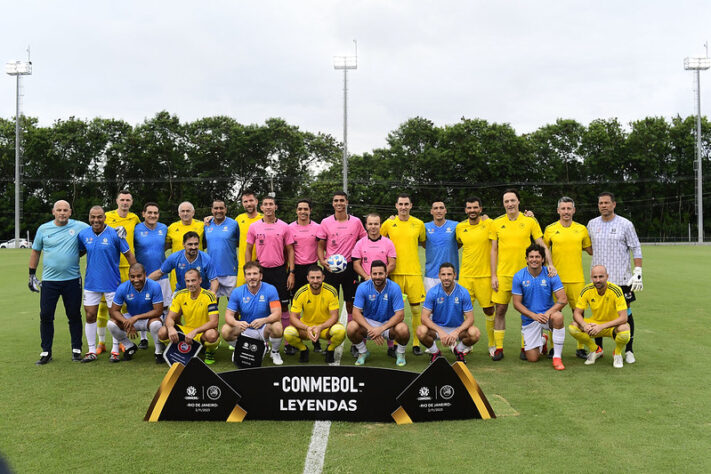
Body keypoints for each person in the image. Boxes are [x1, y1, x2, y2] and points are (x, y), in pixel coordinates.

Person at [489, 189, 555, 361]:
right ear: (503, 204)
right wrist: (493, 275)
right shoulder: (496, 223)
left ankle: (525, 346)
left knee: (526, 311)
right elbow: (493, 250)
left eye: (512, 200)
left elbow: (542, 244)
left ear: (518, 201)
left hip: (527, 275)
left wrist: (551, 265)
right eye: (506, 201)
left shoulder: (530, 221)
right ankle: (499, 348)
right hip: (504, 274)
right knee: (500, 309)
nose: (510, 204)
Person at [29, 200, 89, 365]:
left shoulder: (80, 227)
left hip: (72, 280)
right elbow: (35, 251)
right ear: (53, 212)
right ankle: (46, 351)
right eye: (59, 210)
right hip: (49, 281)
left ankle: (76, 349)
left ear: (70, 212)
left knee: (74, 315)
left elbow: (97, 229)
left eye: (65, 210)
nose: (62, 213)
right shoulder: (43, 228)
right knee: (46, 315)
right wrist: (31, 275)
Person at [587, 191, 642, 364]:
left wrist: (638, 271)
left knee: (626, 313)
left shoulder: (625, 224)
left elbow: (636, 247)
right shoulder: (592, 224)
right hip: (598, 279)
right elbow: (587, 246)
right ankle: (598, 349)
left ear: (614, 204)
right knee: (598, 313)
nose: (603, 205)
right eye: (601, 203)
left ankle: (629, 350)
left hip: (621, 279)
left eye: (606, 203)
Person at [78, 206, 136, 362]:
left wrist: (137, 275)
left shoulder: (115, 234)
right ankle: (91, 350)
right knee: (90, 315)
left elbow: (129, 255)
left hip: (112, 282)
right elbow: (79, 252)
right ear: (89, 217)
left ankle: (115, 349)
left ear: (105, 217)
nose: (96, 220)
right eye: (92, 217)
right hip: (91, 282)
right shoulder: (83, 234)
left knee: (114, 317)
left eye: (99, 217)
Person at [317, 191, 367, 356]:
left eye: (342, 200)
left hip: (351, 268)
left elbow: (363, 242)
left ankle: (355, 341)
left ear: (347, 202)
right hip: (331, 269)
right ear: (333, 204)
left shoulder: (356, 222)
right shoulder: (325, 222)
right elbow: (320, 246)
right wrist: (323, 261)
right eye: (336, 201)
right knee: (330, 305)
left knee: (352, 305)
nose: (339, 203)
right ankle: (331, 340)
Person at [543, 196, 593, 359]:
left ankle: (580, 347)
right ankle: (552, 347)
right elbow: (544, 250)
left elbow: (591, 250)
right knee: (554, 314)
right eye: (563, 209)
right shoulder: (550, 229)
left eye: (569, 208)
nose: (566, 211)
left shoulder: (582, 229)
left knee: (578, 313)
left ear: (574, 210)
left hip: (577, 278)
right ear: (558, 210)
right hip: (555, 279)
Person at [244, 196, 295, 353]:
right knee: (263, 306)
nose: (268, 207)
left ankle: (287, 343)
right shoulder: (254, 227)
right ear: (261, 208)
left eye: (271, 204)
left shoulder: (284, 226)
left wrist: (291, 272)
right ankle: (262, 341)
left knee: (284, 306)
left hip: (280, 271)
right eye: (265, 204)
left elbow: (290, 250)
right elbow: (248, 248)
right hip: (262, 271)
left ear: (275, 207)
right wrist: (249, 270)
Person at [380, 193, 427, 356]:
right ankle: (392, 345)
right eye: (401, 204)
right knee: (393, 311)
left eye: (406, 204)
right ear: (396, 206)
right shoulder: (388, 223)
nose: (403, 207)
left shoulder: (419, 224)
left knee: (415, 310)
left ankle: (415, 344)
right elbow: (379, 241)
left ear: (411, 205)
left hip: (414, 273)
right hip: (395, 274)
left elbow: (423, 242)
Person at [512, 244, 567, 370]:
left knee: (558, 316)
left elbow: (563, 299)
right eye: (531, 257)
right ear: (526, 259)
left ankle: (557, 357)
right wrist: (533, 316)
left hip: (548, 317)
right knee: (532, 359)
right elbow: (516, 303)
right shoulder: (519, 276)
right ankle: (543, 340)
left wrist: (547, 314)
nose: (534, 259)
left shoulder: (550, 274)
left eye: (537, 257)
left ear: (543, 259)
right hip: (530, 319)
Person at [102, 190, 145, 350]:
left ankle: (126, 340)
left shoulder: (134, 218)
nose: (125, 202)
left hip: (129, 267)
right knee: (107, 306)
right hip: (110, 267)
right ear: (116, 201)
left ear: (131, 202)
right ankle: (101, 342)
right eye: (122, 200)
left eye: (128, 200)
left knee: (131, 303)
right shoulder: (107, 215)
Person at [347, 260, 410, 367]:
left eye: (380, 273)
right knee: (351, 327)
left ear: (386, 274)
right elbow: (356, 313)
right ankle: (362, 352)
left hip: (388, 324)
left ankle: (400, 352)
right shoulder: (363, 287)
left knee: (403, 329)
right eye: (374, 274)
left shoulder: (394, 287)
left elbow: (400, 315)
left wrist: (381, 329)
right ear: (370, 274)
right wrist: (371, 329)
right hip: (369, 323)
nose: (377, 277)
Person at [220, 262, 284, 366]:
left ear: (261, 276)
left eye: (255, 274)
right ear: (245, 277)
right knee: (226, 330)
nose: (252, 277)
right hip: (246, 329)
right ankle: (240, 349)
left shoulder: (270, 289)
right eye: (249, 274)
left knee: (277, 326)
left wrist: (264, 320)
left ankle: (275, 352)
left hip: (264, 329)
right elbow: (228, 315)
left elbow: (277, 314)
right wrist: (237, 323)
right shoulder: (237, 292)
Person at [416, 263, 480, 364]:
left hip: (457, 328)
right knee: (421, 331)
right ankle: (435, 353)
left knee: (475, 333)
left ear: (454, 275)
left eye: (449, 274)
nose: (446, 278)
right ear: (439, 276)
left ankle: (458, 350)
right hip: (437, 329)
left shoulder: (463, 292)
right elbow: (424, 318)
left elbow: (470, 319)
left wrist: (456, 332)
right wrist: (440, 331)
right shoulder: (433, 292)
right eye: (443, 274)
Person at [569, 265, 631, 369]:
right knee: (573, 327)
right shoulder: (587, 290)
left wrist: (601, 326)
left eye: (601, 276)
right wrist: (584, 325)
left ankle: (617, 353)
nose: (598, 280)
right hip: (594, 324)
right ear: (591, 278)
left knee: (625, 329)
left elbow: (624, 318)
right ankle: (595, 349)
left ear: (607, 276)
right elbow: (577, 313)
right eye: (595, 277)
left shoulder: (616, 290)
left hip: (611, 326)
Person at [456, 197, 496, 356]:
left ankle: (492, 345)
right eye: (469, 208)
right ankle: (466, 343)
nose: (472, 210)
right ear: (466, 210)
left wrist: (529, 216)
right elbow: (457, 242)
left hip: (485, 277)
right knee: (462, 311)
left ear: (480, 209)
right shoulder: (460, 227)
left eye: (475, 207)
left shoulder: (489, 224)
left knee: (488, 310)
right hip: (465, 277)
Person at [284, 266, 346, 363]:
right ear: (307, 278)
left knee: (340, 331)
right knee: (288, 333)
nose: (315, 281)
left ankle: (330, 349)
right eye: (312, 278)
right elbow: (293, 317)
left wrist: (321, 327)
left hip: (325, 328)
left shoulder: (331, 291)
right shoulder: (301, 292)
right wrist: (306, 328)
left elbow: (334, 316)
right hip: (307, 328)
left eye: (318, 277)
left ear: (323, 278)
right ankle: (303, 349)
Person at [158, 268, 220, 365]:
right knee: (162, 331)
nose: (190, 284)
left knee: (212, 335)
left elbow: (214, 322)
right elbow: (170, 317)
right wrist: (170, 328)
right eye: (188, 281)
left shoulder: (209, 296)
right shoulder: (179, 295)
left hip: (203, 332)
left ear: (200, 280)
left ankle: (209, 351)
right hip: (187, 330)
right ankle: (173, 348)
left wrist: (195, 331)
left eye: (193, 280)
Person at [107, 263, 164, 363]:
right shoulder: (123, 288)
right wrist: (126, 322)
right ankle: (129, 346)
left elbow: (158, 311)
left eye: (139, 276)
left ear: (145, 274)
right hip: (131, 317)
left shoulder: (155, 286)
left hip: (149, 319)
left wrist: (136, 317)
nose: (136, 280)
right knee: (111, 324)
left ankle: (158, 352)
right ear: (129, 276)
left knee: (156, 324)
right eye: (132, 277)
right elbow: (114, 310)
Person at [288, 199, 322, 352]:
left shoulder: (317, 227)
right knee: (295, 306)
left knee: (313, 306)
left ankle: (316, 340)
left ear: (310, 210)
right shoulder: (289, 228)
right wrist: (291, 273)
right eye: (300, 209)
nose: (303, 211)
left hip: (313, 269)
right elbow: (288, 251)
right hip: (296, 270)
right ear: (296, 211)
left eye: (305, 209)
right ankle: (294, 342)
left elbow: (323, 246)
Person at [148, 231, 218, 294]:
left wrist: (212, 292)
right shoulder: (175, 257)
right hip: (181, 292)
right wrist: (144, 282)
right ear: (183, 244)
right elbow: (160, 272)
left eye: (196, 244)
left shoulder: (206, 258)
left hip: (202, 292)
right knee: (172, 308)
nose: (193, 247)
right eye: (190, 244)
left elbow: (214, 280)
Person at [134, 202, 172, 311]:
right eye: (149, 212)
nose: (152, 215)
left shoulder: (164, 228)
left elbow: (167, 245)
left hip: (162, 274)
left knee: (164, 307)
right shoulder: (136, 229)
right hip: (143, 276)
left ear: (158, 215)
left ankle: (164, 328)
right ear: (143, 214)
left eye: (155, 213)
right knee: (144, 307)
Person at [204, 199, 239, 299]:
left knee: (234, 307)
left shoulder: (234, 224)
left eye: (221, 208)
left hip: (230, 270)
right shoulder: (207, 225)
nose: (218, 210)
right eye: (216, 208)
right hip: (212, 272)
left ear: (226, 210)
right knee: (213, 305)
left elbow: (238, 242)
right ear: (211, 210)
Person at [166, 201, 204, 291]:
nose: (185, 213)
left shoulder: (202, 225)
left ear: (193, 213)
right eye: (183, 211)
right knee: (177, 298)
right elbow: (165, 245)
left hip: (197, 267)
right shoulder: (172, 228)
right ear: (179, 213)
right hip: (177, 269)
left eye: (188, 211)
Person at [423, 200, 459, 292]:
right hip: (431, 275)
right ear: (431, 211)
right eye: (435, 208)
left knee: (451, 304)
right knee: (431, 305)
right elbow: (423, 243)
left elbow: (460, 242)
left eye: (441, 208)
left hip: (451, 274)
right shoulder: (424, 227)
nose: (439, 211)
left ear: (445, 211)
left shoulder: (456, 226)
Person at [352, 213, 397, 279]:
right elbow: (356, 265)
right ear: (366, 225)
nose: (373, 226)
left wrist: (381, 276)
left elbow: (392, 264)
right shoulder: (359, 243)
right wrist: (366, 277)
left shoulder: (388, 243)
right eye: (370, 224)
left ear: (380, 225)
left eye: (376, 224)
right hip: (366, 280)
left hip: (383, 280)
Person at [235, 191, 263, 287]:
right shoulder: (239, 219)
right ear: (242, 203)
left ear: (256, 201)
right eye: (245, 201)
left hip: (262, 265)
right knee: (242, 297)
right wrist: (211, 219)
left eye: (251, 200)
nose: (248, 204)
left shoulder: (264, 218)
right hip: (243, 266)